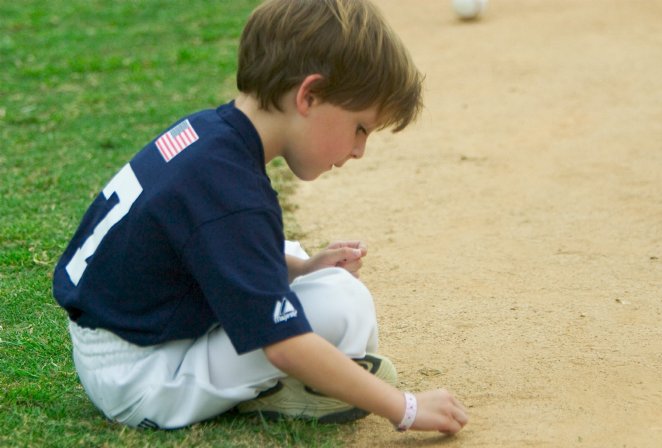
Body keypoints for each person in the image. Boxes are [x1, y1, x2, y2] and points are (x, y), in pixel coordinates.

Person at [52, 0, 468, 434]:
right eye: (359, 128)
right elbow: (284, 345)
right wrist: (406, 407)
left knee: (301, 265)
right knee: (343, 308)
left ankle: (295, 362)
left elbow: (203, 243)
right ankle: (284, 389)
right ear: (309, 95)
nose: (359, 150)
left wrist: (303, 269)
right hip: (143, 378)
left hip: (124, 339)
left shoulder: (212, 134)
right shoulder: (233, 193)